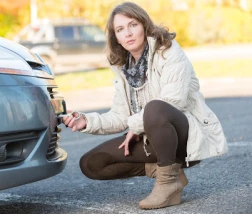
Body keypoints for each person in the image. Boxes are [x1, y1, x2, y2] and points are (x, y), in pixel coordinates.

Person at [62, 1, 227, 210]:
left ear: (144, 25)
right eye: (120, 29)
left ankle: (167, 182)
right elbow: (120, 116)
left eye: (133, 25)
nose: (128, 33)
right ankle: (170, 174)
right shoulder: (124, 69)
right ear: (117, 38)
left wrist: (136, 125)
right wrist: (86, 121)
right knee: (92, 164)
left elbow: (173, 100)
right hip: (152, 137)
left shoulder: (168, 51)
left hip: (183, 137)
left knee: (155, 108)